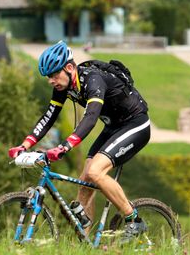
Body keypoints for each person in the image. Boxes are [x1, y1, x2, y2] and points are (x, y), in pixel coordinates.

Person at [8, 41, 151, 243]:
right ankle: (85, 243)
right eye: (48, 77)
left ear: (69, 67)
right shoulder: (63, 86)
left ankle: (134, 219)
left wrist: (66, 145)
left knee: (95, 172)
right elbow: (49, 117)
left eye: (54, 75)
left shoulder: (93, 79)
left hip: (135, 124)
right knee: (85, 182)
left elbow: (91, 117)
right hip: (113, 127)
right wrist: (25, 145)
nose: (51, 81)